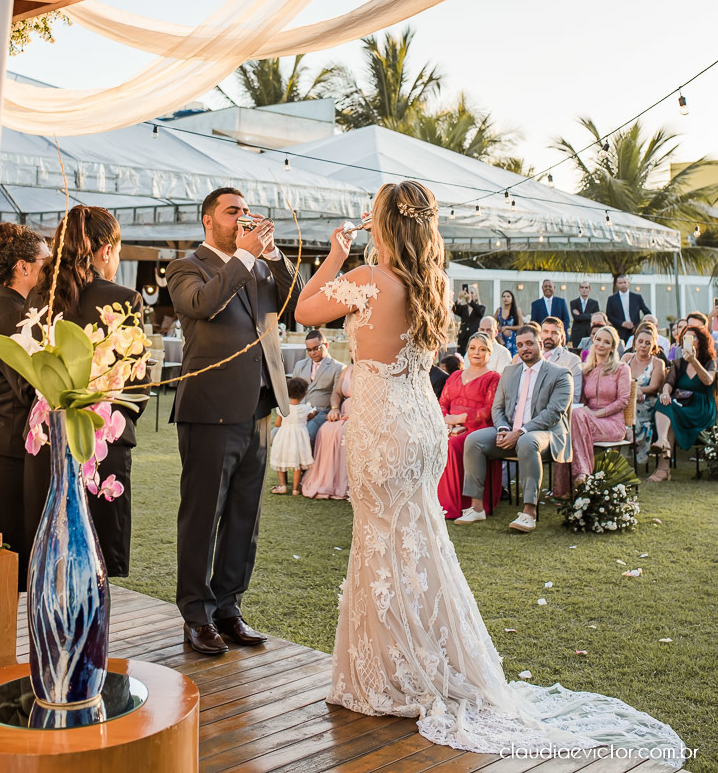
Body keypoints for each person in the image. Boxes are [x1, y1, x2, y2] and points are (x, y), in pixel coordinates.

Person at [292, 180, 683, 758]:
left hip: (382, 425)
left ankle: (390, 673)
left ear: (385, 225)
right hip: (420, 422)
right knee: (418, 541)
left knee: (379, 542)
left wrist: (333, 255)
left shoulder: (372, 280)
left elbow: (305, 309)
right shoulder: (434, 282)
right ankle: (421, 661)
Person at [167, 187, 302, 655]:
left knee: (245, 517)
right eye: (232, 212)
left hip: (260, 409)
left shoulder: (263, 265)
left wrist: (276, 254)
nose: (242, 218)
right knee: (203, 516)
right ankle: (196, 614)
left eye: (246, 211)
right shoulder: (186, 267)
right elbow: (204, 304)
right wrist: (243, 258)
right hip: (210, 409)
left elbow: (299, 305)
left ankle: (228, 608)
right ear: (208, 220)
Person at [24, 206, 149, 581]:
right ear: (106, 250)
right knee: (94, 566)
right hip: (100, 437)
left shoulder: (36, 299)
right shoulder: (125, 298)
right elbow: (134, 380)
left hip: (46, 434)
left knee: (50, 555)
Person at [0, 222, 49, 589]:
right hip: (4, 452)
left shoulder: (14, 307)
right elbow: (26, 386)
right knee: (5, 569)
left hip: (4, 446)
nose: (51, 270)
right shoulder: (9, 313)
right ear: (23, 267)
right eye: (45, 262)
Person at [459, 326, 572, 532]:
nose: (524, 348)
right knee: (473, 440)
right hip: (510, 431)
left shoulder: (560, 374)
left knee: (527, 441)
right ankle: (476, 507)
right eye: (520, 345)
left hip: (547, 435)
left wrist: (519, 432)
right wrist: (502, 428)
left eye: (529, 343)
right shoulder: (510, 372)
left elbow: (553, 413)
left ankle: (529, 512)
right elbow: (498, 407)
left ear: (540, 344)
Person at [437, 332, 501, 520]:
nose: (476, 353)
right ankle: (433, 501)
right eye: (472, 348)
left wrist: (459, 419)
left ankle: (454, 505)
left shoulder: (493, 377)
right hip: (450, 426)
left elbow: (488, 410)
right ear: (467, 351)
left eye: (482, 349)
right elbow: (443, 402)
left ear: (489, 353)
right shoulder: (455, 375)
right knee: (435, 440)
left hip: (477, 428)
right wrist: (445, 421)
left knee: (452, 445)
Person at [650, 324, 717, 482]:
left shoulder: (709, 362)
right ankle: (663, 442)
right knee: (664, 402)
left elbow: (708, 381)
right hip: (681, 404)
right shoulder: (678, 363)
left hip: (701, 407)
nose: (690, 340)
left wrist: (693, 361)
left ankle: (663, 468)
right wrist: (666, 392)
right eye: (686, 337)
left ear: (701, 341)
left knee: (672, 412)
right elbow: (669, 382)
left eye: (693, 337)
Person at [566, 326, 630, 488]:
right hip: (586, 420)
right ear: (593, 341)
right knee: (569, 426)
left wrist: (597, 414)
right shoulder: (586, 370)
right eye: (598, 340)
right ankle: (569, 486)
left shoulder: (622, 369)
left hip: (612, 424)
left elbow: (623, 401)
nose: (601, 344)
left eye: (606, 342)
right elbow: (581, 402)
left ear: (612, 347)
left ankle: (582, 474)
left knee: (575, 424)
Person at [302, 364, 353, 500]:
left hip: (363, 413)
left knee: (344, 432)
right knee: (325, 429)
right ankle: (327, 480)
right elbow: (336, 392)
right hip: (343, 412)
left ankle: (346, 483)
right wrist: (335, 408)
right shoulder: (348, 369)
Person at [291, 329, 345, 448]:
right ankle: (294, 466)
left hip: (321, 413)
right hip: (299, 412)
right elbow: (292, 392)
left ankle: (308, 466)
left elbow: (338, 394)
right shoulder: (300, 365)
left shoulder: (338, 368)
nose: (312, 353)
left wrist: (334, 409)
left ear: (326, 345)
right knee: (279, 434)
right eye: (309, 350)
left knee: (306, 435)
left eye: (316, 348)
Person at [626, 324, 667, 465]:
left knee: (635, 409)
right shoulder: (626, 358)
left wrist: (638, 390)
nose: (643, 345)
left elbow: (654, 387)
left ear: (653, 345)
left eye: (648, 343)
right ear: (635, 342)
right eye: (640, 341)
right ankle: (629, 439)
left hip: (646, 402)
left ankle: (634, 439)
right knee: (621, 407)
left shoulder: (657, 362)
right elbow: (617, 380)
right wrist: (633, 390)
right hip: (627, 398)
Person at [269, 377, 313, 495]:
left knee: (280, 462)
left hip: (284, 437)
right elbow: (309, 416)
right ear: (304, 394)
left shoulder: (283, 408)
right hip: (299, 439)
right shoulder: (305, 408)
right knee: (297, 464)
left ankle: (282, 486)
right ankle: (295, 489)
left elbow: (278, 423)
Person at [540, 317, 583, 402]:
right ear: (540, 334)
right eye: (545, 331)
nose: (549, 336)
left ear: (562, 336)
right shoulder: (531, 356)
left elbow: (574, 396)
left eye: (554, 333)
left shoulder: (572, 360)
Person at [606, 275, 650, 341]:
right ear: (617, 285)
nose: (623, 285)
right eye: (620, 283)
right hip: (619, 331)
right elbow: (609, 315)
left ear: (628, 283)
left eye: (624, 282)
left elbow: (647, 312)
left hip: (635, 330)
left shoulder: (637, 297)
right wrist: (622, 323)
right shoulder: (612, 299)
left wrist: (640, 325)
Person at [451, 284, 484, 354]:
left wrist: (470, 300)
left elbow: (480, 313)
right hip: (463, 336)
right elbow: (454, 310)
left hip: (474, 336)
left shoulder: (480, 307)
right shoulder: (464, 308)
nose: (469, 295)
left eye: (472, 293)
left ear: (476, 295)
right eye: (468, 293)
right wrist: (460, 298)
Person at [569, 281, 600, 349]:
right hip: (577, 333)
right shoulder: (573, 303)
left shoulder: (594, 303)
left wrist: (581, 315)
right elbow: (576, 317)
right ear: (579, 289)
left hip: (590, 332)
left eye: (586, 287)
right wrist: (590, 315)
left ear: (589, 289)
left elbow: (596, 317)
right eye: (582, 287)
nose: (584, 289)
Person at [495, 289, 522, 356]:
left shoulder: (516, 310)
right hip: (501, 339)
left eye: (508, 296)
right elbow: (493, 324)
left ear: (512, 298)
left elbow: (521, 326)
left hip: (513, 339)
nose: (505, 298)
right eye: (504, 296)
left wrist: (507, 327)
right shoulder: (499, 310)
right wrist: (501, 329)